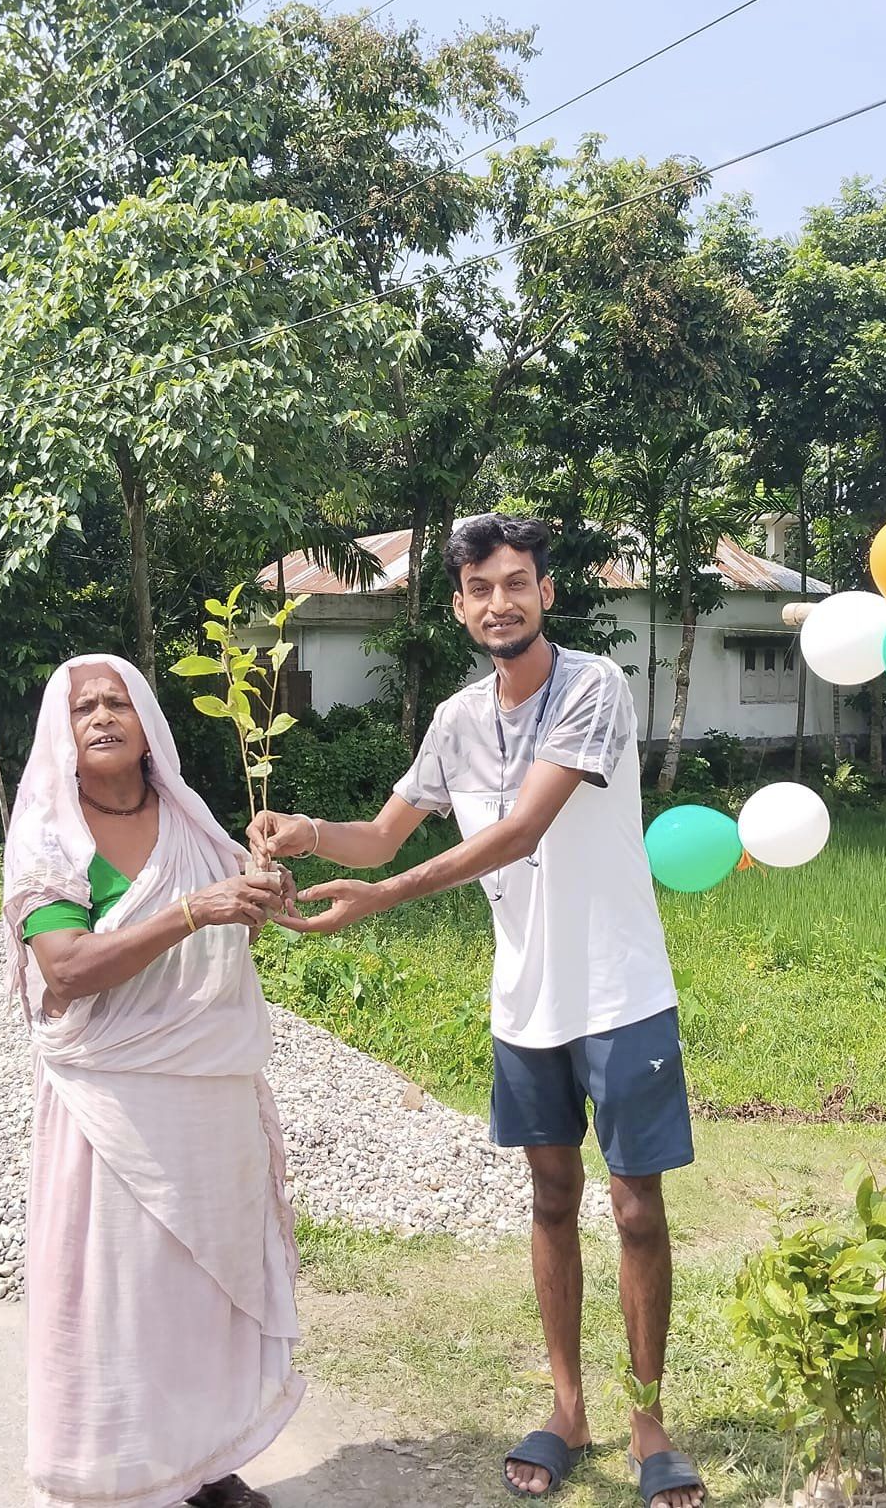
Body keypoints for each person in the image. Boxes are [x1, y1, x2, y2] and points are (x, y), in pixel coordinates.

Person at [252, 514, 706, 1508]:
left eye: (515, 583)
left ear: (546, 593)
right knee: (550, 1198)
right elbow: (382, 835)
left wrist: (385, 897)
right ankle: (566, 1409)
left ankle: (647, 1421)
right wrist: (307, 832)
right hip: (524, 999)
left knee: (634, 1205)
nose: (499, 602)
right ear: (458, 607)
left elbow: (520, 830)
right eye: (480, 589)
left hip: (619, 990)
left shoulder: (592, 685)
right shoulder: (456, 720)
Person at [3, 655, 300, 1508]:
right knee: (120, 1297)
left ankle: (204, 1464)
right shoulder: (50, 835)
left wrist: (256, 896)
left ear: (149, 727)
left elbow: (230, 941)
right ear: (61, 732)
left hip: (207, 1100)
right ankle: (122, 1478)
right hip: (111, 1106)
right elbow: (67, 968)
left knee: (202, 1293)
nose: (101, 716)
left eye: (118, 702)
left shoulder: (191, 824)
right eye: (83, 707)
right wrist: (193, 911)